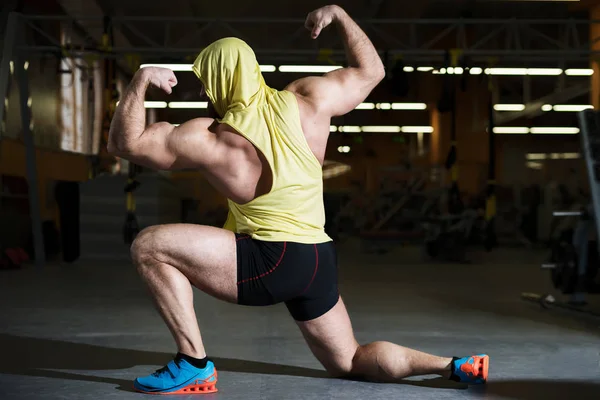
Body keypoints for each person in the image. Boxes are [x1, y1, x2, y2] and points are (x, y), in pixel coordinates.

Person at [108, 4, 489, 395]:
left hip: (270, 260)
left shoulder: (209, 137)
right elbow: (372, 71)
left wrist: (138, 82)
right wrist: (340, 16)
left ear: (219, 82)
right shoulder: (308, 99)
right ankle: (453, 365)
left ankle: (193, 363)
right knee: (349, 360)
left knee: (149, 245)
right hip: (317, 259)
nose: (206, 93)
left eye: (208, 84)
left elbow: (125, 144)